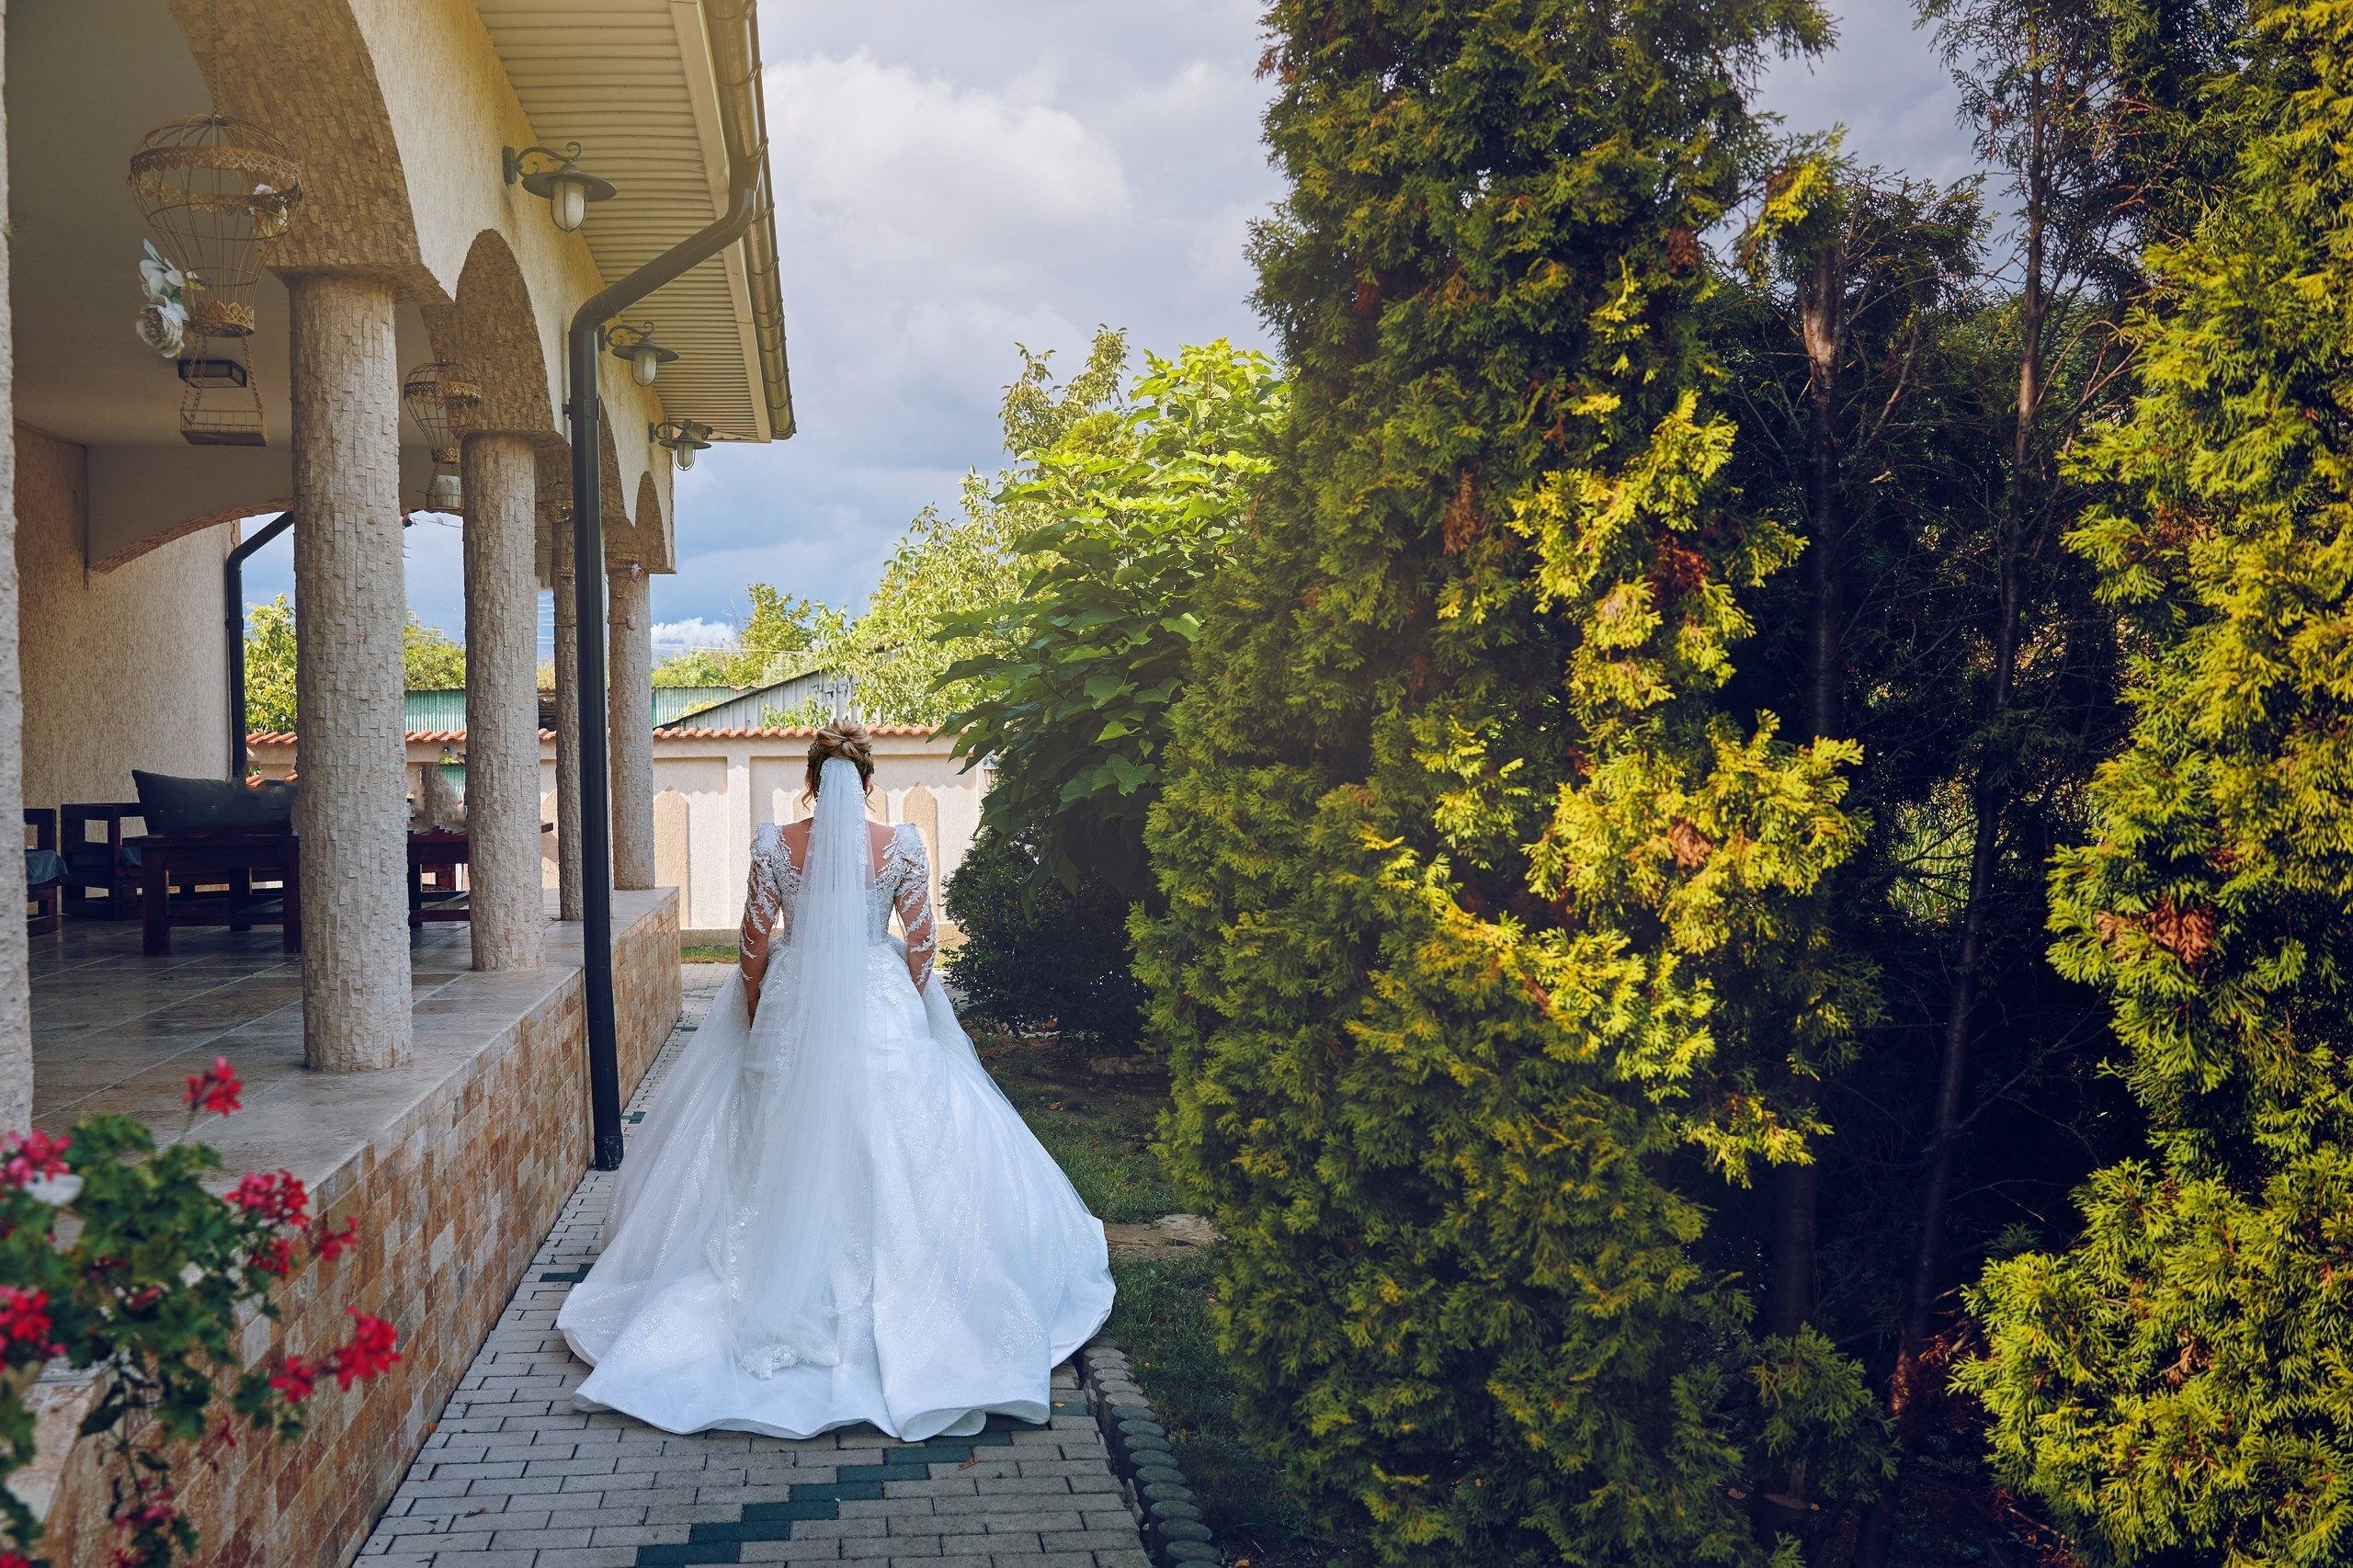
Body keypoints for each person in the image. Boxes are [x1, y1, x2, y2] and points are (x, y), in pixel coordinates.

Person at [557, 721, 1115, 1439]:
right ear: (869, 780)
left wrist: (760, 1017)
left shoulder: (774, 846)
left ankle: (767, 1285)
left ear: (813, 781)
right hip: (879, 1003)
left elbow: (753, 948)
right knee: (897, 1139)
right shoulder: (903, 846)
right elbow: (922, 942)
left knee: (773, 1140)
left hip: (792, 1005)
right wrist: (906, 1005)